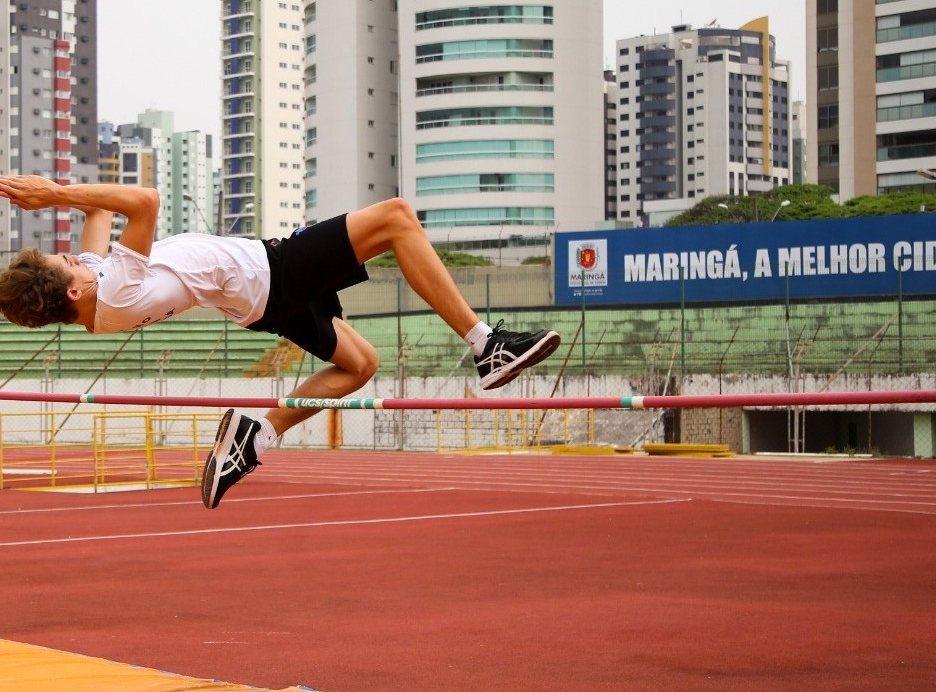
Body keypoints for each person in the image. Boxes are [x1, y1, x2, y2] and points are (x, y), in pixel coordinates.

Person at [0, 175, 560, 508]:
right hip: (272, 271)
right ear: (74, 289)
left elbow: (99, 208)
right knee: (395, 218)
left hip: (260, 301)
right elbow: (143, 201)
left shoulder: (98, 290)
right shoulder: (116, 287)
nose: (75, 252)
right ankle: (488, 344)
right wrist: (52, 193)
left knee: (361, 364)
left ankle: (256, 433)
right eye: (67, 259)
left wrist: (45, 196)